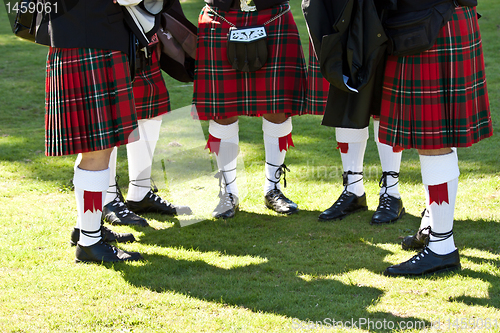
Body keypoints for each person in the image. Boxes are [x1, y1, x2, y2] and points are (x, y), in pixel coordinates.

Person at [37, 0, 170, 263]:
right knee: (97, 151)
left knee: (96, 149)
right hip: (93, 43)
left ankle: (86, 228)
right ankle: (89, 243)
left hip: (79, 39)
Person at [378, 2, 493, 276]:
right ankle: (436, 224)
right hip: (438, 20)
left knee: (434, 141)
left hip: (431, 23)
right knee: (438, 137)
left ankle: (442, 246)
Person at [192, 0, 309, 218]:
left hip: (273, 12)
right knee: (222, 110)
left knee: (278, 107)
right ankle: (229, 192)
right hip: (222, 12)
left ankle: (273, 189)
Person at [303, 2, 405, 225]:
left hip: (385, 9)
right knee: (345, 93)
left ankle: (391, 192)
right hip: (338, 7)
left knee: (383, 100)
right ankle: (353, 190)